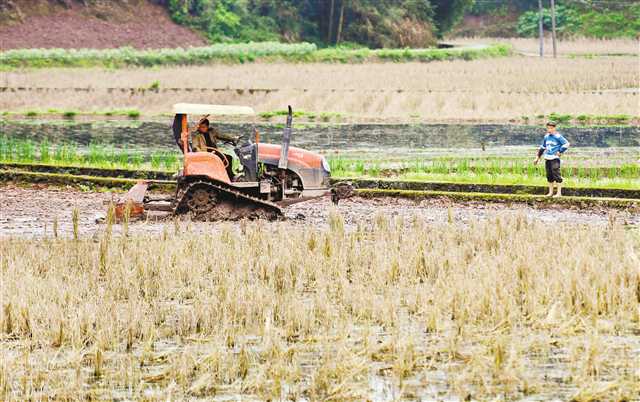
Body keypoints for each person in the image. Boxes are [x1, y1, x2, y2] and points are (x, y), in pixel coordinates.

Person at [534, 121, 570, 197]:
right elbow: (543, 147)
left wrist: (560, 151)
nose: (549, 130)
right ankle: (550, 192)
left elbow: (566, 144)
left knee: (556, 174)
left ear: (554, 128)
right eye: (548, 128)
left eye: (551, 128)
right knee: (549, 175)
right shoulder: (546, 136)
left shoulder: (558, 136)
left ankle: (559, 193)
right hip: (547, 158)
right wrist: (537, 157)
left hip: (555, 158)